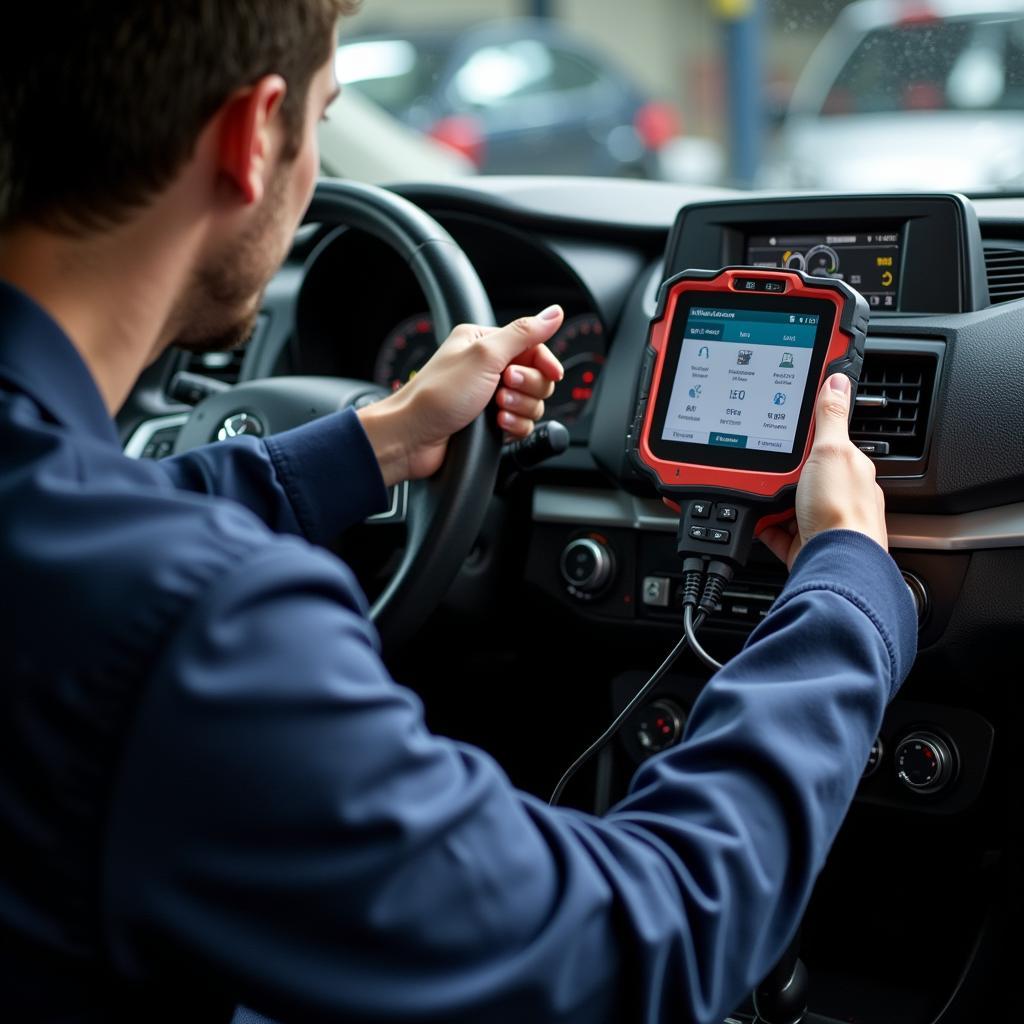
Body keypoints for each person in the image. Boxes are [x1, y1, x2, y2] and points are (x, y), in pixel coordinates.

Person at [0, 3, 917, 1023]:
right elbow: (641, 945)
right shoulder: (195, 627)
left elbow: (92, 513)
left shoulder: (65, 527)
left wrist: (377, 439)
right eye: (325, 116)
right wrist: (846, 587)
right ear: (253, 137)